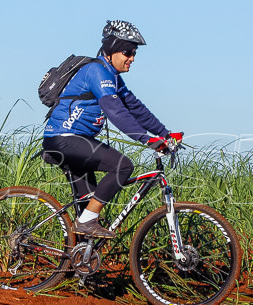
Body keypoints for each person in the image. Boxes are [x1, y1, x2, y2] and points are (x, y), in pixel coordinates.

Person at [43, 20, 180, 239]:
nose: (132, 58)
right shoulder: (97, 72)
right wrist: (147, 139)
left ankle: (81, 264)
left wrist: (165, 133)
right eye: (127, 51)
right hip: (65, 139)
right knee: (122, 166)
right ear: (111, 49)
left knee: (88, 206)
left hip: (76, 142)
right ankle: (86, 223)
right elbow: (116, 111)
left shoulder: (112, 77)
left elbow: (135, 108)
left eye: (134, 53)